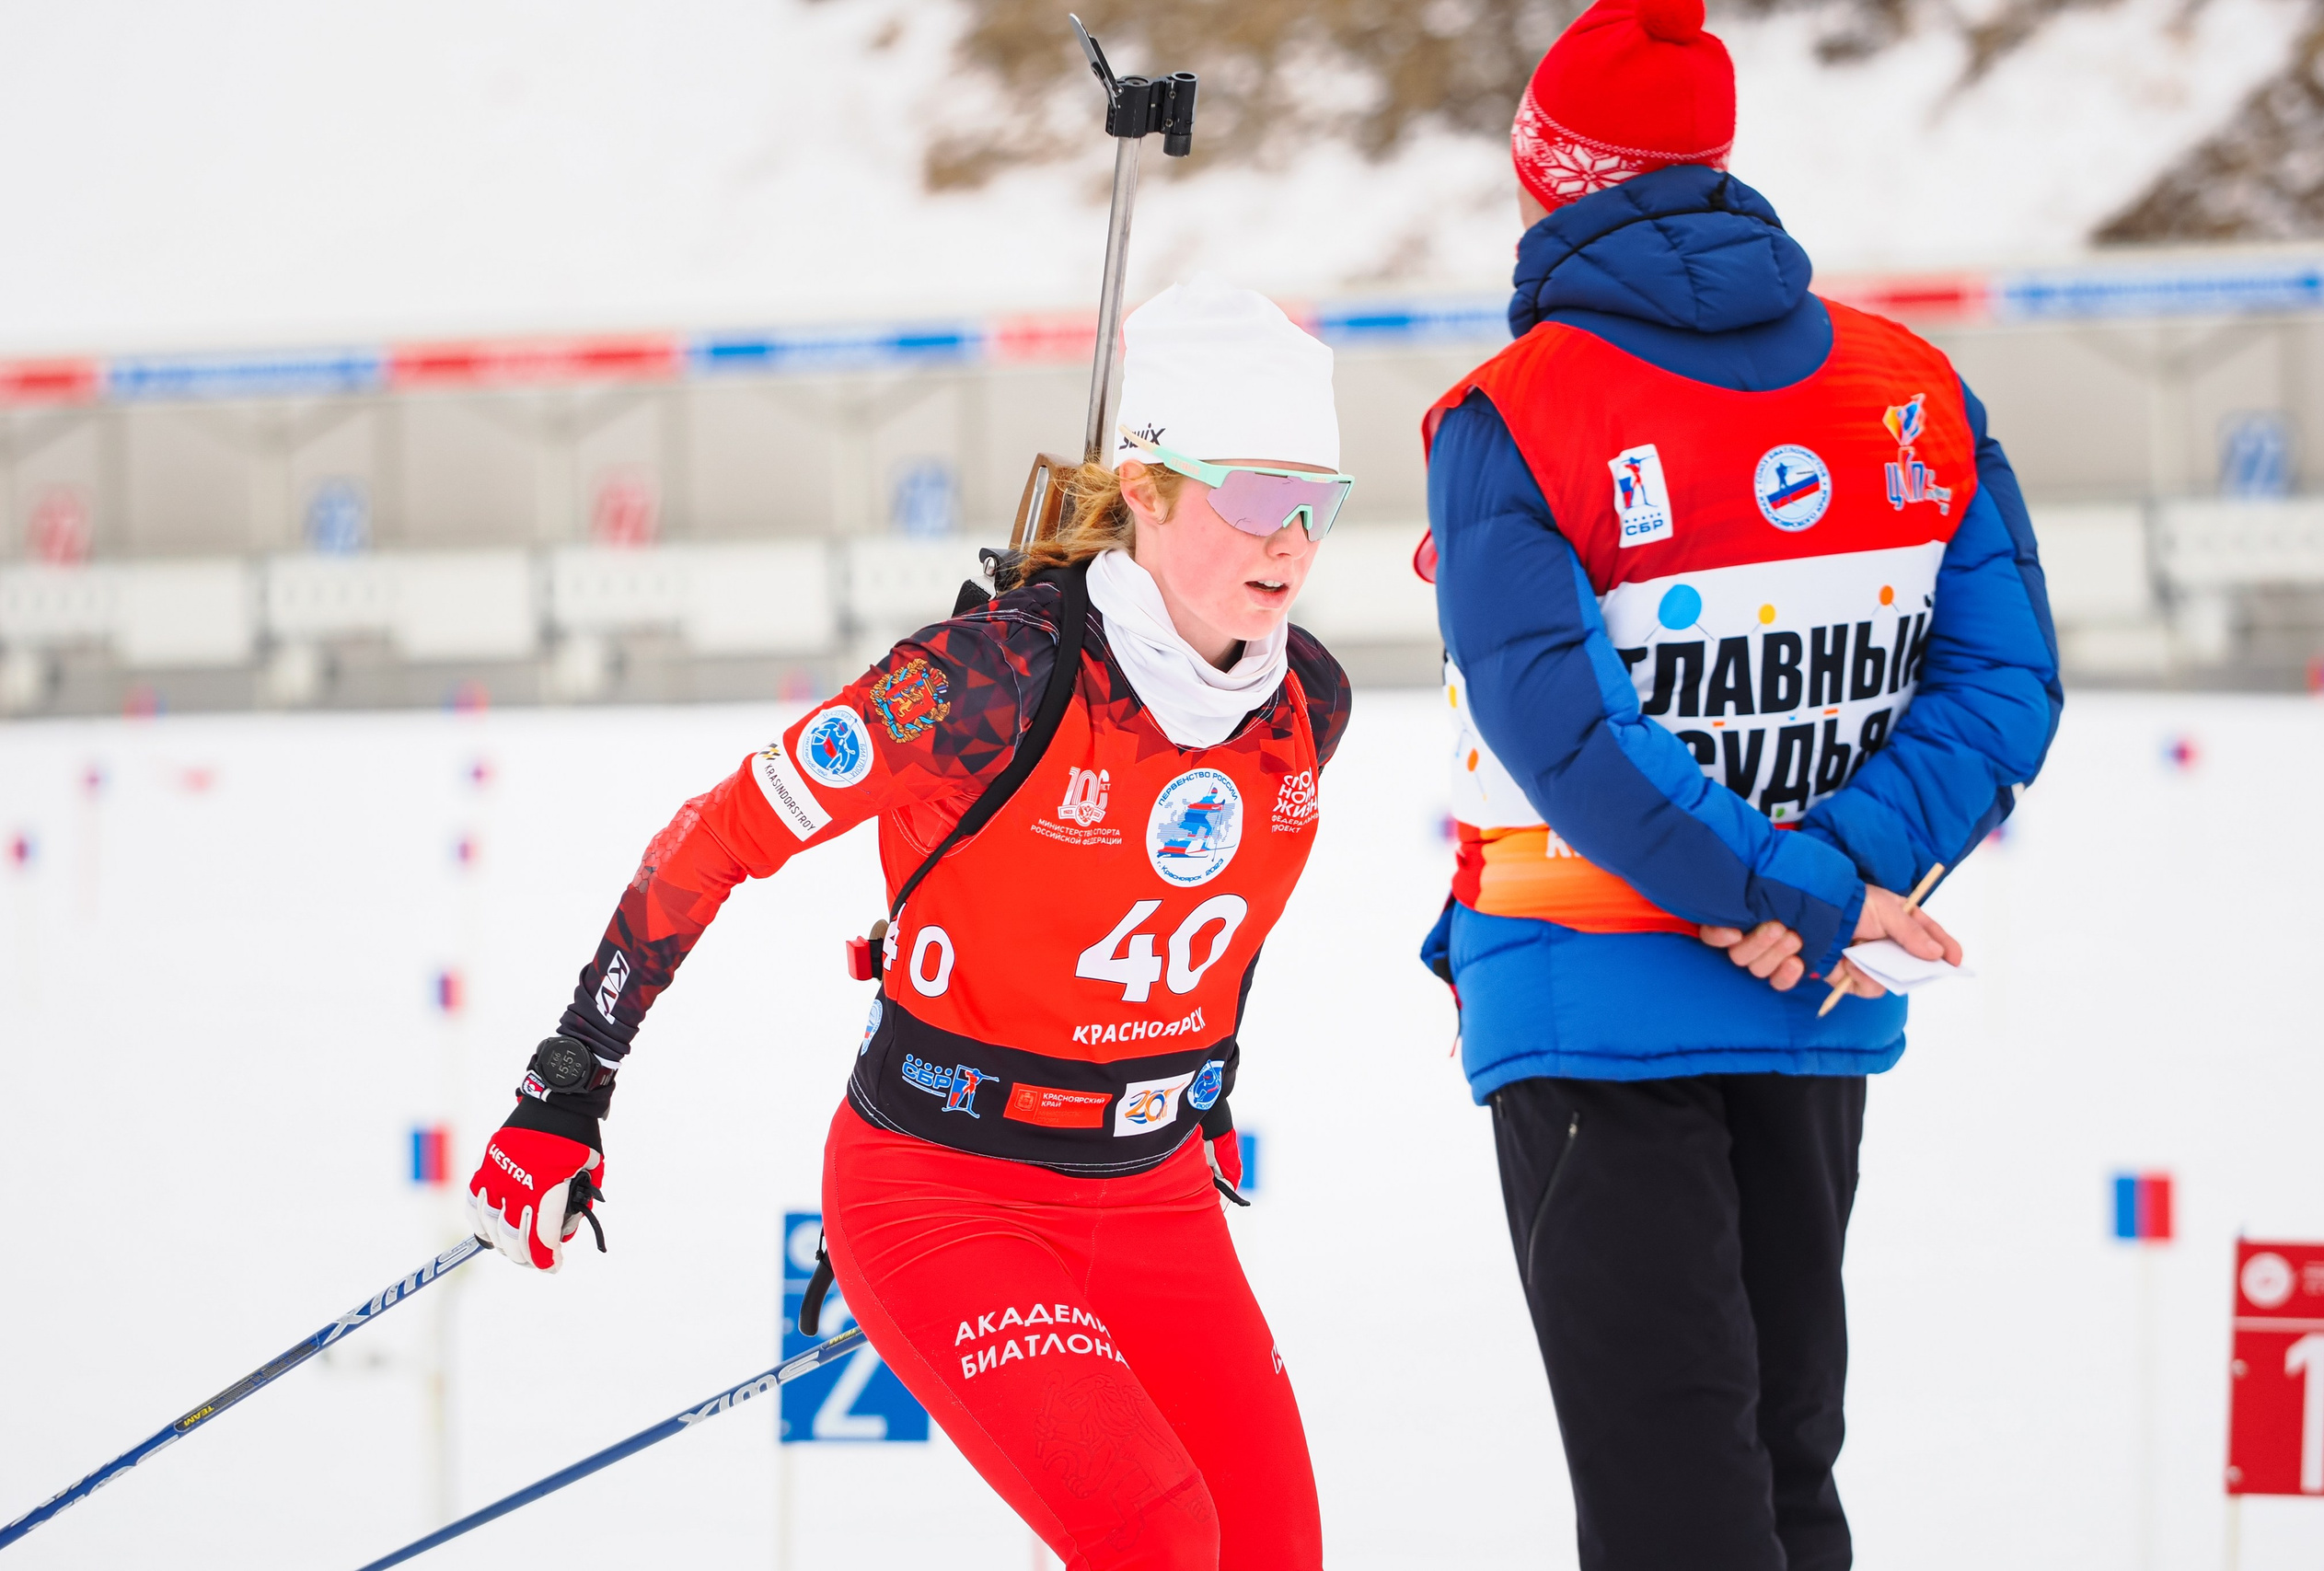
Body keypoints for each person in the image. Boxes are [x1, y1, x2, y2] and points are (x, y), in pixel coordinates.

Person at [464, 280, 1353, 1571]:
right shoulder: (990, 680)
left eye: (1318, 504)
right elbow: (718, 836)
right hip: (945, 1190)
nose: (1295, 542)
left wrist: (1200, 1082)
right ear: (1148, 488)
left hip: (1149, 1196)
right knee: (1161, 1539)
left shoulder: (1305, 705)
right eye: (1259, 498)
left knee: (1271, 1552)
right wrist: (567, 1081)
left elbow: (1224, 915)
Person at [1416, 2, 2063, 1566]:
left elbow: (1562, 735)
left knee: (1667, 1484)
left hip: (1590, 998)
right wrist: (1831, 870)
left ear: (1549, 178)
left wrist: (1780, 884)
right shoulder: (1909, 382)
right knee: (1783, 1459)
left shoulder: (1515, 415)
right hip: (1813, 993)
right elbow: (2003, 683)